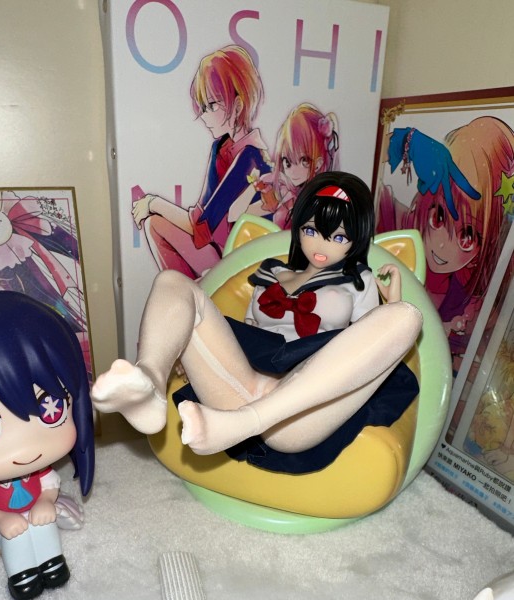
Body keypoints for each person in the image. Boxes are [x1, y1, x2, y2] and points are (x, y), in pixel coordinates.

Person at [93, 171, 421, 473]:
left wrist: (391, 302)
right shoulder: (270, 273)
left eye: (337, 237)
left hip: (300, 410)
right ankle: (149, 384)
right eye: (311, 231)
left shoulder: (358, 282)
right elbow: (244, 334)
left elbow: (370, 348)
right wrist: (186, 348)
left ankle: (242, 423)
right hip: (241, 385)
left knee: (407, 316)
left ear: (356, 239)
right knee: (172, 281)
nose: (321, 245)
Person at [0, 291, 94, 600]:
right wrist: (0, 520)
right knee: (15, 536)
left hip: (37, 514)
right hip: (1, 529)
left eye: (50, 407)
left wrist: (45, 502)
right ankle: (22, 577)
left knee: (44, 524)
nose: (26, 448)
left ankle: (53, 566)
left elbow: (49, 486)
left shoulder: (40, 471)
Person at [378, 116, 514, 366]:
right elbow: (362, 170)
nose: (441, 245)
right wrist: (404, 141)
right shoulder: (394, 222)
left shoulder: (469, 295)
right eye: (439, 216)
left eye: (467, 236)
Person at [132, 44, 272, 279]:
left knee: (156, 221)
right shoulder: (220, 148)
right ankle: (188, 293)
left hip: (241, 266)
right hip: (219, 253)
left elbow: (200, 227)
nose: (204, 116)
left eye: (212, 105)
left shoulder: (251, 157)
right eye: (203, 107)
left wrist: (153, 202)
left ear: (238, 106)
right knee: (155, 225)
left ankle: (194, 293)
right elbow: (200, 217)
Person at [229, 102, 339, 230]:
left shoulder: (323, 200)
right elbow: (233, 215)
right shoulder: (284, 194)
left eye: (303, 160)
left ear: (318, 164)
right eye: (287, 162)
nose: (293, 171)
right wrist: (255, 186)